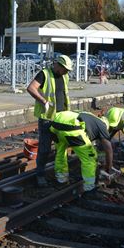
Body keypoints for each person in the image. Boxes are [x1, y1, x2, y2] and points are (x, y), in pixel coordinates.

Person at [27, 55, 72, 187]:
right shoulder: (44, 74)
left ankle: (60, 174)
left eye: (68, 70)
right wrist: (43, 101)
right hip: (47, 118)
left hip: (62, 118)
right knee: (44, 148)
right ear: (57, 64)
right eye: (64, 69)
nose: (66, 72)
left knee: (62, 147)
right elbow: (31, 88)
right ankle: (40, 175)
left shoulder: (65, 76)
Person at [50, 110, 116, 192]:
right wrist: (108, 166)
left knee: (60, 153)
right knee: (90, 158)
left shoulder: (90, 116)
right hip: (72, 126)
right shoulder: (102, 125)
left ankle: (61, 180)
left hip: (55, 122)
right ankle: (89, 187)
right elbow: (108, 148)